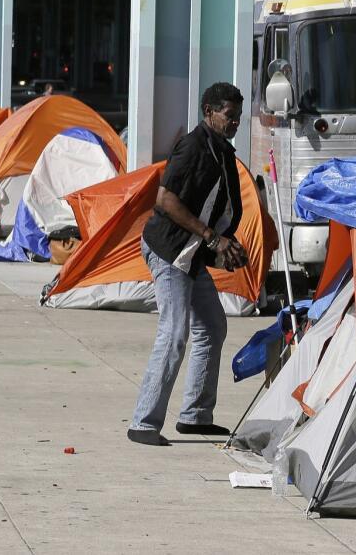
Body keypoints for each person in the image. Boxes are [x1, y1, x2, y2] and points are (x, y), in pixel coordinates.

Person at [127, 82, 247, 447]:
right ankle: (143, 423)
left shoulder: (221, 151)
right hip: (169, 252)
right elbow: (165, 200)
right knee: (175, 331)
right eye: (230, 116)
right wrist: (212, 238)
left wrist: (226, 245)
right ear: (209, 112)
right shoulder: (193, 146)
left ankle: (195, 417)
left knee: (212, 325)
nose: (235, 123)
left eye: (238, 117)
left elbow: (219, 206)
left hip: (191, 254)